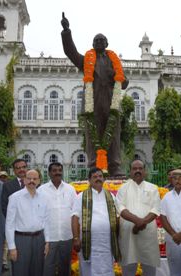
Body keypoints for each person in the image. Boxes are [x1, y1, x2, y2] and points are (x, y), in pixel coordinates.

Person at [61, 13, 128, 176]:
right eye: (96, 40)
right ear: (92, 44)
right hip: (93, 104)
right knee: (93, 137)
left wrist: (115, 75)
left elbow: (124, 83)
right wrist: (66, 31)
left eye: (101, 40)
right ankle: (93, 166)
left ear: (106, 43)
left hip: (112, 103)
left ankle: (115, 166)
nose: (98, 42)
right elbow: (71, 52)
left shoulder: (114, 62)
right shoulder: (86, 60)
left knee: (114, 135)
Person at [71, 168, 120, 276]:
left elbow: (118, 216)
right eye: (95, 176)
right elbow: (75, 218)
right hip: (88, 243)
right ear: (89, 180)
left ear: (103, 179)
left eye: (100, 176)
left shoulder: (110, 196)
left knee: (104, 272)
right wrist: (76, 238)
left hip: (106, 244)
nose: (98, 178)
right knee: (86, 274)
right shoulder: (81, 196)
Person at [116, 160, 161, 276]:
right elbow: (121, 209)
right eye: (134, 168)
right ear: (130, 171)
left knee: (149, 266)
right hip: (128, 233)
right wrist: (137, 222)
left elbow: (155, 209)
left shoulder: (153, 188)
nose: (137, 171)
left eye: (140, 168)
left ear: (145, 170)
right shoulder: (123, 189)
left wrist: (141, 223)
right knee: (128, 266)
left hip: (148, 233)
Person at [5, 169, 51, 276]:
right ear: (24, 180)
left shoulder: (44, 198)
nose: (32, 181)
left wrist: (47, 241)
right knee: (21, 275)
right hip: (21, 240)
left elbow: (46, 221)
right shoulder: (15, 197)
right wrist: (12, 247)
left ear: (39, 181)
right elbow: (9, 224)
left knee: (37, 275)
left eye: (35, 179)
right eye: (29, 178)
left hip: (39, 239)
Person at [38, 162, 78, 276]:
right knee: (47, 271)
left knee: (64, 271)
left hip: (67, 236)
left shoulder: (70, 189)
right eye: (54, 170)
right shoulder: (41, 190)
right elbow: (39, 213)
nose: (57, 173)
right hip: (49, 238)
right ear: (49, 173)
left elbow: (75, 213)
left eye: (60, 170)